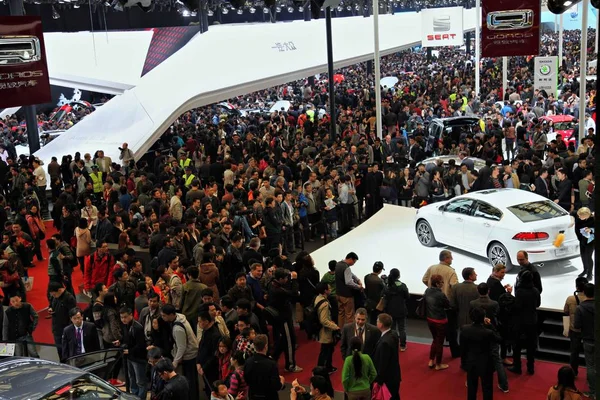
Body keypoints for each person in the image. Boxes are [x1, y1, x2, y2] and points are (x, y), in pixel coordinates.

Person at [422, 250, 459, 357]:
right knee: (452, 330)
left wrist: (431, 289)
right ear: (446, 258)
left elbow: (424, 279)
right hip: (446, 305)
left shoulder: (431, 268)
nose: (452, 259)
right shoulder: (451, 271)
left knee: (436, 334)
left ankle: (435, 354)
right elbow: (455, 286)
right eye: (451, 257)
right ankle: (454, 352)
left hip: (432, 305)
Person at [460, 307, 502, 400]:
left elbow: (462, 348)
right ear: (483, 318)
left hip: (471, 362)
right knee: (487, 388)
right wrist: (491, 325)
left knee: (471, 388)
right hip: (486, 364)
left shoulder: (464, 329)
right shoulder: (488, 332)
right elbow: (499, 339)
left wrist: (464, 363)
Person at [160, 304, 199, 400]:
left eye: (164, 315)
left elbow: (182, 346)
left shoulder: (178, 328)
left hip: (189, 356)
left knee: (189, 383)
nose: (162, 317)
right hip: (191, 353)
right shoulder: (180, 318)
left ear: (171, 315)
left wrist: (175, 362)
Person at [267, 267, 302, 372]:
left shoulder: (272, 284)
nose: (287, 280)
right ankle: (290, 365)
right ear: (281, 279)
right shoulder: (278, 290)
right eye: (286, 278)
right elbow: (294, 293)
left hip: (280, 317)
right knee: (289, 341)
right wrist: (295, 280)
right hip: (284, 319)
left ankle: (274, 358)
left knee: (282, 340)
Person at [508, 270, 541, 375]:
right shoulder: (535, 291)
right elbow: (538, 304)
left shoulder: (519, 291)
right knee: (531, 345)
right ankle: (530, 367)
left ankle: (517, 366)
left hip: (520, 321)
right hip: (532, 321)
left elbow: (517, 306)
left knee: (517, 345)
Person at [118, 307, 148, 400]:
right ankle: (134, 397)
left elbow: (141, 345)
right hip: (130, 358)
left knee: (140, 381)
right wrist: (120, 341)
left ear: (131, 315)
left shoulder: (137, 327)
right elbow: (127, 340)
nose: (123, 319)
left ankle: (140, 398)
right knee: (132, 380)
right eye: (122, 317)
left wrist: (130, 351)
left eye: (125, 317)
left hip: (138, 359)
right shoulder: (126, 325)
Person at [244, 334, 285, 400]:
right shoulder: (271, 364)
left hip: (253, 396)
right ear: (266, 346)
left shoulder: (248, 362)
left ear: (254, 346)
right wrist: (282, 382)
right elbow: (276, 386)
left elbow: (246, 380)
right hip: (269, 397)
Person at [424, 274, 450, 370]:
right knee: (439, 342)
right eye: (442, 282)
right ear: (438, 284)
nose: (443, 283)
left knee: (435, 339)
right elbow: (448, 305)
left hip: (430, 319)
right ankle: (438, 364)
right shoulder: (441, 294)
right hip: (440, 321)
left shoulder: (427, 291)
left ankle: (431, 360)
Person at [574, 283, 595, 398]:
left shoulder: (581, 307)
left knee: (591, 366)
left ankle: (593, 392)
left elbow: (577, 325)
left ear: (584, 293)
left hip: (588, 339)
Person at [372, 313, 401, 400]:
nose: (376, 322)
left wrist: (378, 381)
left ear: (381, 324)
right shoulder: (394, 334)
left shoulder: (384, 343)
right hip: (395, 376)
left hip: (387, 380)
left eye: (377, 321)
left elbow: (383, 363)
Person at [563, 277, 587, 377]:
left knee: (574, 352)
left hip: (574, 329)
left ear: (576, 286)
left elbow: (566, 313)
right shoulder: (591, 299)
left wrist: (565, 329)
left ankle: (573, 372)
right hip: (588, 330)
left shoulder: (570, 299)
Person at [381, 268, 409, 351]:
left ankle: (393, 344)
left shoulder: (387, 286)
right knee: (402, 329)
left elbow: (383, 295)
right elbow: (407, 296)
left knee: (392, 329)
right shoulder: (402, 286)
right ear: (399, 276)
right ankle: (402, 346)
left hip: (390, 311)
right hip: (401, 310)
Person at [314, 282, 340, 373]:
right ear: (325, 291)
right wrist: (335, 327)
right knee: (325, 351)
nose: (330, 289)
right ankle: (321, 370)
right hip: (325, 331)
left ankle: (327, 367)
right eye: (329, 288)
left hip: (322, 329)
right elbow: (324, 320)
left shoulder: (318, 298)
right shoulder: (324, 304)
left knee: (327, 350)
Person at [48, 281, 77, 358]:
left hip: (66, 329)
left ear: (60, 290)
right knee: (60, 350)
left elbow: (73, 315)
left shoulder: (69, 298)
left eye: (54, 294)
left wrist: (69, 329)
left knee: (68, 351)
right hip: (56, 328)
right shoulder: (55, 296)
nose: (53, 296)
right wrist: (51, 308)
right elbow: (51, 304)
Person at [197, 311, 222, 396]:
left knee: (213, 391)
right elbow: (201, 347)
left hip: (211, 368)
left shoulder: (215, 335)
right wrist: (198, 362)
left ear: (207, 321)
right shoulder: (205, 330)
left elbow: (215, 355)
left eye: (200, 321)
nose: (199, 323)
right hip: (203, 366)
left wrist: (204, 367)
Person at [335, 252, 363, 328]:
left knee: (341, 314)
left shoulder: (338, 264)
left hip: (338, 294)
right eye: (354, 262)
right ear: (350, 259)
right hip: (347, 296)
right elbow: (349, 282)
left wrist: (357, 279)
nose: (354, 264)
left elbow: (350, 274)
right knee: (349, 315)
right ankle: (350, 333)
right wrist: (359, 286)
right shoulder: (346, 267)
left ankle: (340, 331)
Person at [574, 207, 594, 280]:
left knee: (589, 256)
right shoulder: (579, 219)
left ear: (586, 215)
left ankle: (590, 273)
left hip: (591, 240)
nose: (579, 217)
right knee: (583, 255)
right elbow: (576, 229)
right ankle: (585, 270)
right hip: (582, 239)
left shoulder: (593, 219)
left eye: (580, 216)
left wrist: (591, 230)